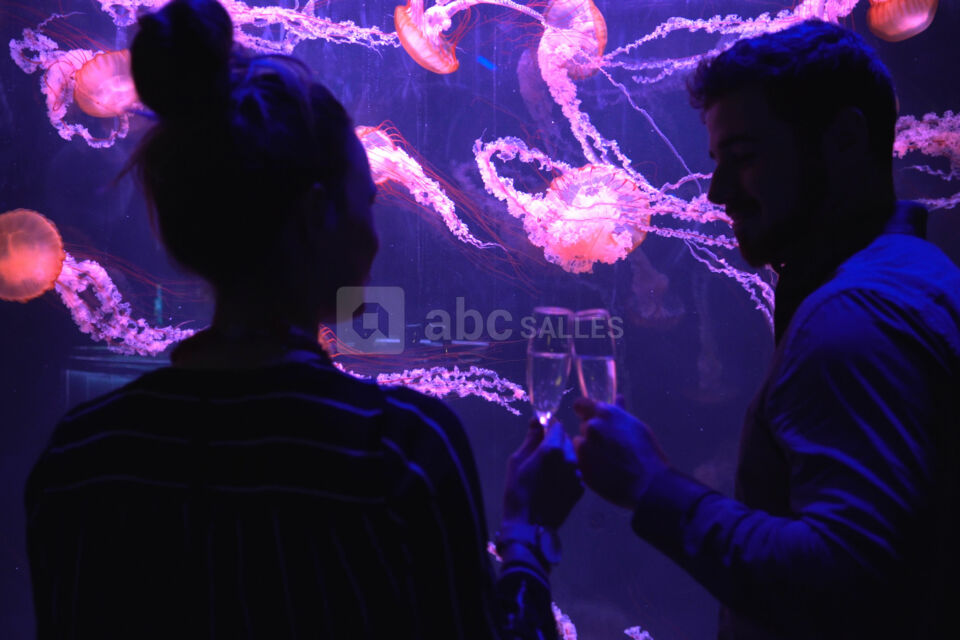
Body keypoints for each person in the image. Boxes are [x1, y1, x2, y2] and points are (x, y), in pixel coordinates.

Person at [24, 1, 582, 638]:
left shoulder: (79, 458)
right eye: (369, 201)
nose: (377, 237)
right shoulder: (398, 452)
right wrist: (526, 538)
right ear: (320, 215)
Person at [573, 20, 960, 639]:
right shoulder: (927, 276)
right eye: (717, 163)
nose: (719, 192)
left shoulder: (854, 317)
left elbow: (843, 579)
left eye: (744, 158)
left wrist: (651, 486)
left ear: (844, 140)